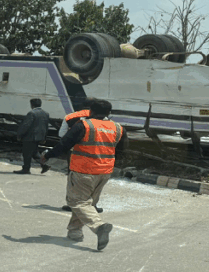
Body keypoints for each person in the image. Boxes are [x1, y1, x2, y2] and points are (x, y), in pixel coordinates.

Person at [40, 99, 127, 251]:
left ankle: (99, 227)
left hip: (83, 170)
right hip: (104, 172)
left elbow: (64, 143)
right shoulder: (118, 128)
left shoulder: (84, 125)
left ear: (91, 111)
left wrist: (48, 155)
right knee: (87, 203)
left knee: (77, 202)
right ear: (109, 113)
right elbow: (122, 150)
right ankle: (75, 232)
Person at [13, 98, 50, 174]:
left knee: (26, 153)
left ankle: (26, 169)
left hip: (30, 137)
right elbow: (46, 126)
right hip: (39, 137)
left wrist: (19, 134)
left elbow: (26, 125)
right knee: (34, 153)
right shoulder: (46, 113)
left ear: (32, 105)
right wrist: (44, 137)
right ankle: (44, 165)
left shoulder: (31, 113)